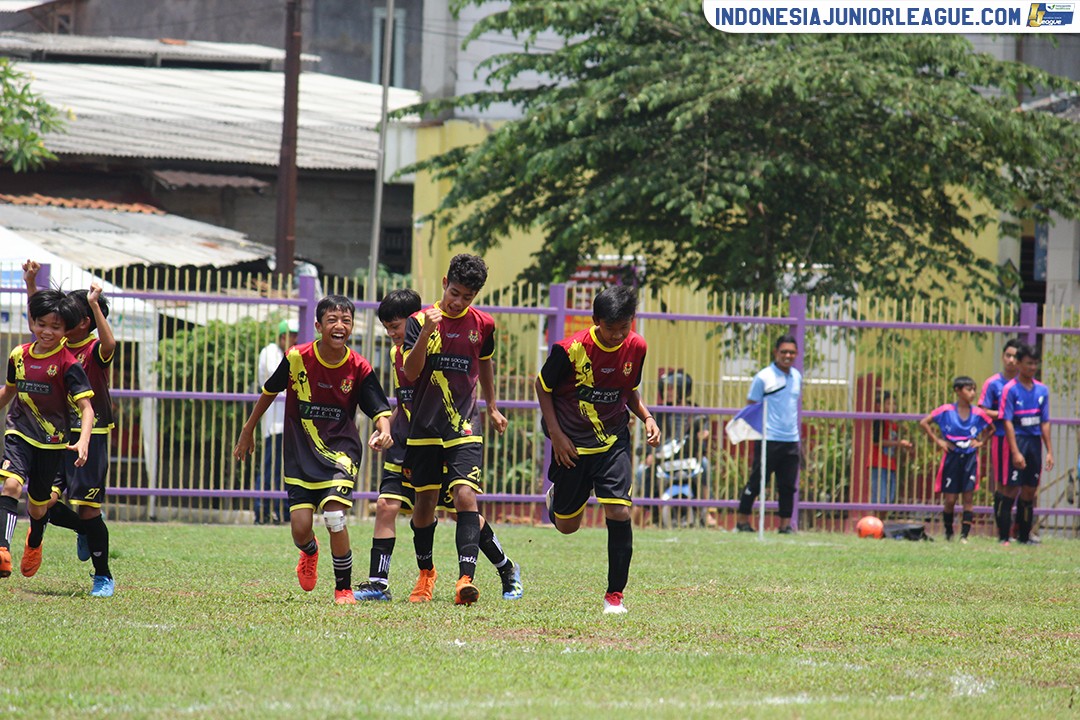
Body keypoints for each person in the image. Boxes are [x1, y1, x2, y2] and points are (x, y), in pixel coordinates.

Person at [355, 288, 522, 603]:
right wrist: (384, 427)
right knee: (388, 505)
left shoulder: (437, 343)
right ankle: (382, 583)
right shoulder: (396, 354)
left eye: (396, 326)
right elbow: (404, 401)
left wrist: (490, 406)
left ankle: (505, 566)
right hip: (406, 441)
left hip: (441, 437)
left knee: (462, 510)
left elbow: (472, 370)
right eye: (387, 328)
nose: (391, 334)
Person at [233, 295, 393, 604]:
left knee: (335, 517)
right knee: (300, 529)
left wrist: (384, 431)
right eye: (332, 320)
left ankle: (343, 588)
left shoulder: (358, 367)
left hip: (341, 453)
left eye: (346, 320)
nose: (339, 326)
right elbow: (269, 390)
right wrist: (248, 428)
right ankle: (309, 551)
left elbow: (379, 409)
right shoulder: (297, 358)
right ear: (319, 326)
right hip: (300, 453)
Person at [536, 285, 661, 614]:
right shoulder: (570, 350)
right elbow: (543, 386)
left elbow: (628, 390)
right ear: (595, 320)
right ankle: (557, 498)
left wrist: (647, 417)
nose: (618, 335)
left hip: (612, 441)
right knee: (567, 526)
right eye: (610, 328)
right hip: (572, 446)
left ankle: (614, 596)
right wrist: (556, 435)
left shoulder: (637, 347)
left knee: (619, 511)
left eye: (624, 327)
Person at [401, 254, 514, 606]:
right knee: (425, 504)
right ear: (444, 283)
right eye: (454, 293)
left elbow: (485, 362)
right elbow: (410, 372)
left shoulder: (483, 324)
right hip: (424, 425)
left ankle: (465, 579)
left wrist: (492, 406)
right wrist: (427, 333)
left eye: (467, 296)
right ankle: (426, 574)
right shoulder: (418, 321)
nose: (458, 302)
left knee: (465, 495)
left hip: (464, 424)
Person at [24, 261, 118, 596]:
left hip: (91, 434)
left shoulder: (93, 348)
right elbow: (40, 318)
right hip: (56, 434)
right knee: (43, 502)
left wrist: (94, 304)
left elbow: (110, 345)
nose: (56, 322)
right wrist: (31, 283)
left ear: (84, 322)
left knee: (88, 507)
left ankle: (103, 576)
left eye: (66, 316)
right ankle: (83, 529)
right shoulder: (56, 346)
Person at [0, 289, 95, 584]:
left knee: (38, 506)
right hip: (19, 432)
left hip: (52, 442)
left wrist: (83, 440)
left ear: (66, 330)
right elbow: (9, 391)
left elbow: (87, 408)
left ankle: (36, 539)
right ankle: (2, 550)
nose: (47, 331)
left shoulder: (68, 364)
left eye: (55, 327)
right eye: (42, 324)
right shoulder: (19, 355)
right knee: (11, 485)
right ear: (33, 323)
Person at [735, 334, 803, 534]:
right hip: (768, 438)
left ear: (796, 354)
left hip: (791, 439)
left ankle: (785, 525)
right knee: (757, 481)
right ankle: (742, 521)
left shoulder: (797, 377)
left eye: (791, 352)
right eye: (784, 352)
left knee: (788, 485)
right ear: (776, 352)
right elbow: (752, 406)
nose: (787, 356)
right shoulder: (764, 377)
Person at [918, 377, 994, 543]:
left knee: (968, 497)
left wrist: (981, 442)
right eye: (968, 389)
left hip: (970, 458)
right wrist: (939, 441)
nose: (972, 393)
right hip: (952, 457)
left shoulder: (978, 413)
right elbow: (924, 422)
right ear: (958, 391)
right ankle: (948, 532)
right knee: (950, 499)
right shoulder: (946, 410)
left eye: (974, 390)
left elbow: (992, 428)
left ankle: (964, 536)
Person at [633, 369, 711, 524]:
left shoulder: (696, 411)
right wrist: (649, 453)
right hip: (663, 455)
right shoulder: (658, 412)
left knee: (705, 464)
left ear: (683, 390)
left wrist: (703, 434)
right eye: (665, 388)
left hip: (688, 455)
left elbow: (704, 431)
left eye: (672, 388)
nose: (667, 392)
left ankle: (707, 511)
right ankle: (642, 512)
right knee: (642, 470)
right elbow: (649, 434)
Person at [997, 343, 1054, 545]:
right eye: (1029, 363)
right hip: (1018, 440)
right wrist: (1015, 452)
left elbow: (1044, 422)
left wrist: (1049, 451)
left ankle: (1024, 536)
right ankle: (1004, 536)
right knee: (1011, 489)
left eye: (1035, 364)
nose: (1032, 367)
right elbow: (1007, 422)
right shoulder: (1010, 389)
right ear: (1019, 364)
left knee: (1030, 490)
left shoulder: (1042, 390)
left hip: (1034, 443)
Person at [254, 318, 297, 525]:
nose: (294, 339)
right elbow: (278, 377)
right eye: (290, 335)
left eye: (296, 335)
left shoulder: (292, 353)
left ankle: (283, 512)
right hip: (274, 424)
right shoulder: (270, 352)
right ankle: (261, 512)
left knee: (288, 470)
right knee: (270, 468)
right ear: (281, 337)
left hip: (290, 424)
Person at [978, 338, 1021, 525]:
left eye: (1015, 357)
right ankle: (1002, 526)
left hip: (1024, 438)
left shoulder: (1026, 384)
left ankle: (1019, 528)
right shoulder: (993, 383)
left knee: (1021, 484)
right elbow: (982, 410)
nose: (1011, 360)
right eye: (1008, 356)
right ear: (1003, 357)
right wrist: (1004, 414)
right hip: (1002, 438)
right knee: (1003, 483)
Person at [867, 390, 913, 507]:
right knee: (880, 498)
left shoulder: (893, 424)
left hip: (889, 464)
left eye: (894, 404)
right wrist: (899, 443)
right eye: (889, 404)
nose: (893, 407)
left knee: (889, 499)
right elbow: (877, 441)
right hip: (878, 463)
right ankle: (876, 519)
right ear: (879, 406)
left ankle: (882, 518)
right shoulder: (879, 420)